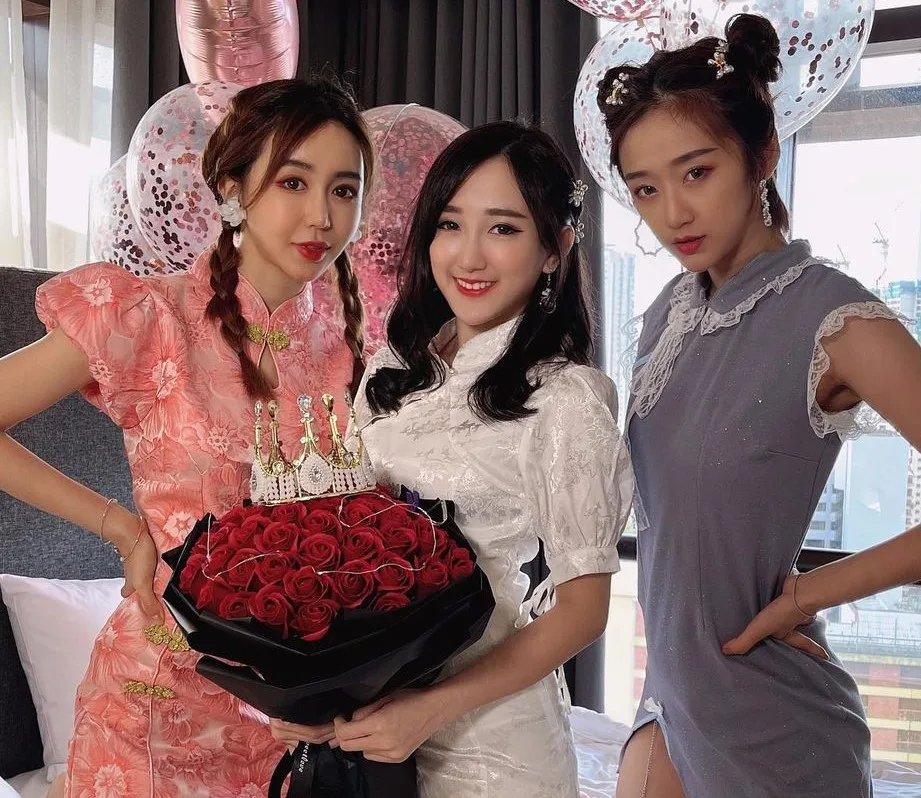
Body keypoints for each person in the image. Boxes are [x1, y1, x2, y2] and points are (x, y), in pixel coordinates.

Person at [0, 77, 373, 798]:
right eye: (293, 182)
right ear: (233, 188)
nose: (322, 216)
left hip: (287, 724)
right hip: (155, 710)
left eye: (344, 190)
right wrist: (119, 528)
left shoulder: (345, 354)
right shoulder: (150, 315)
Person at [596, 13, 921, 797]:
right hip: (670, 700)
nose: (672, 213)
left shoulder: (834, 318)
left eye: (696, 172)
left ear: (763, 154)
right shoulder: (666, 313)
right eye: (645, 188)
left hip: (772, 725)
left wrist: (805, 594)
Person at [269, 120, 634, 797]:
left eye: (503, 229)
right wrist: (317, 692)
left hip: (493, 745)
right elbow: (345, 543)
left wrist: (428, 710)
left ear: (554, 248)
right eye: (449, 224)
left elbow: (582, 611)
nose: (468, 256)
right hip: (378, 728)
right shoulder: (392, 371)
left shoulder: (566, 397)